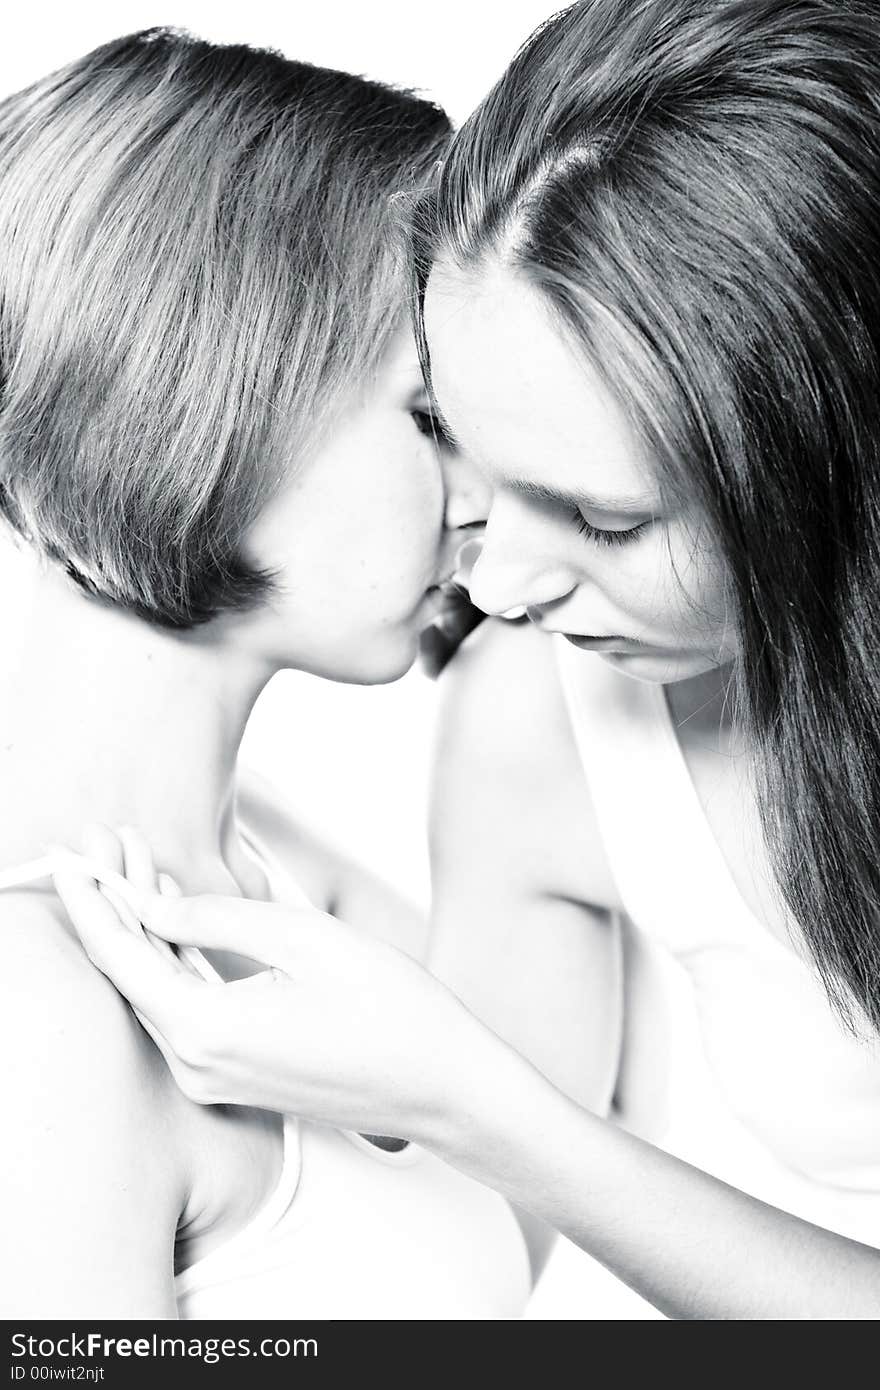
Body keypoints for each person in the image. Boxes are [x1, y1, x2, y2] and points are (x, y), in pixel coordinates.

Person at [64, 0, 880, 1318]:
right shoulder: (542, 718)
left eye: (609, 520)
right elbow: (478, 1240)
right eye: (471, 454)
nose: (496, 583)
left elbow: (496, 1120)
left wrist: (468, 1096)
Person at [0, 28, 533, 1319]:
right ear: (208, 391)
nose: (482, 498)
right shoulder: (42, 1015)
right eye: (427, 415)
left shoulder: (274, 880)